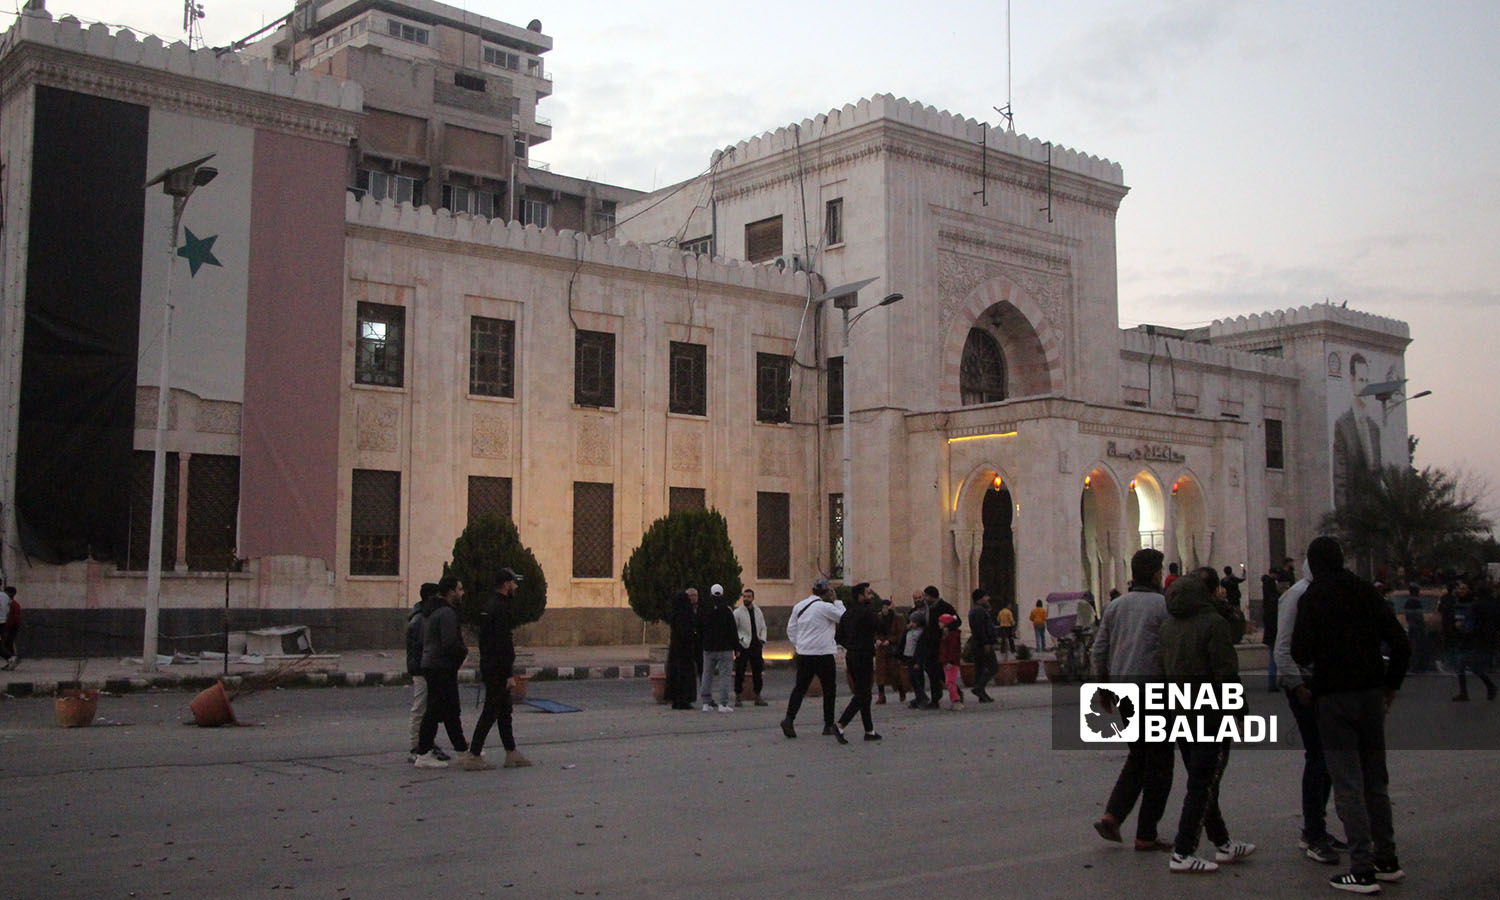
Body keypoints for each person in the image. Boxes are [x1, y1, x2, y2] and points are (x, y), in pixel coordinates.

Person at [1292, 536, 1410, 893]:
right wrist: (1391, 685)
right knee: (1375, 778)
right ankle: (1386, 858)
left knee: (1346, 782)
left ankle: (1361, 867)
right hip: (1371, 695)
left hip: (1334, 699)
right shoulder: (1365, 591)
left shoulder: (1313, 597)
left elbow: (1299, 650)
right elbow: (1400, 643)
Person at [1159, 568, 1255, 873]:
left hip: (1179, 711)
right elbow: (1226, 672)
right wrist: (1239, 709)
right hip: (1209, 714)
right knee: (1204, 781)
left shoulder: (1168, 626)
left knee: (1201, 778)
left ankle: (1223, 842)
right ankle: (1183, 851)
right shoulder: (1214, 623)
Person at [1090, 548, 1175, 853]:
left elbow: (1098, 650)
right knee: (1161, 763)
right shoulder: (1163, 606)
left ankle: (1112, 816)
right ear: (1155, 574)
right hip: (1153, 692)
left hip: (1124, 691)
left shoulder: (1115, 606)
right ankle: (1146, 833)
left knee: (1139, 755)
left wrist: (1103, 689)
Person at [1273, 560, 1348, 865]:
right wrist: (1296, 684)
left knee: (1327, 756)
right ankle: (1313, 832)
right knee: (1318, 756)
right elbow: (1282, 646)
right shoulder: (1298, 595)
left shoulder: (1329, 593)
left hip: (1326, 684)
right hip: (1305, 684)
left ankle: (1316, 825)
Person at [462, 568, 531, 770]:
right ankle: (474, 754)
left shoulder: (490, 605)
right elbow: (502, 642)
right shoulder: (500, 607)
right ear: (507, 584)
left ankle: (511, 752)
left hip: (490, 663)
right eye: (514, 583)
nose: (516, 587)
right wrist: (508, 673)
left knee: (504, 710)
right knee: (491, 710)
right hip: (498, 667)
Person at [414, 576, 469, 769]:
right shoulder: (446, 613)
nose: (462, 593)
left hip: (433, 664)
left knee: (450, 710)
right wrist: (463, 652)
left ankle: (462, 750)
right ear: (451, 591)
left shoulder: (431, 611)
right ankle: (423, 754)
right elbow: (449, 643)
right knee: (436, 711)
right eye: (460, 589)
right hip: (441, 666)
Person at [780, 576, 845, 740]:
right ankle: (828, 724)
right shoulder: (825, 607)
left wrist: (800, 644)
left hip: (804, 654)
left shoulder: (799, 606)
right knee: (829, 689)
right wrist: (837, 601)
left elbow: (791, 629)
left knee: (800, 688)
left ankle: (789, 718)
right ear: (827, 592)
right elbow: (843, 617)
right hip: (823, 654)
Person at [834, 582, 881, 742]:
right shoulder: (868, 612)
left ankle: (869, 730)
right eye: (868, 593)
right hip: (864, 657)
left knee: (864, 693)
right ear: (860, 596)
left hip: (852, 656)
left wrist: (851, 645)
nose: (871, 596)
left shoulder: (847, 614)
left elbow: (838, 637)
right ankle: (840, 724)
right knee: (862, 694)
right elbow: (880, 627)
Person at [406, 582, 447, 763]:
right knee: (421, 707)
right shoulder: (420, 619)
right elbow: (423, 647)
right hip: (422, 669)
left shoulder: (426, 616)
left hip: (427, 667)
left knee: (430, 708)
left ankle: (427, 742)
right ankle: (416, 745)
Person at [1450, 581, 1496, 702]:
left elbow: (1469, 624)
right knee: (1475, 666)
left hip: (1475, 639)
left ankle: (1464, 693)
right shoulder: (1495, 605)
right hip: (1489, 640)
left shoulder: (1475, 606)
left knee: (1462, 664)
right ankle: (1490, 687)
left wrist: (1462, 627)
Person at [699, 584, 737, 712]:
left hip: (709, 649)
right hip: (725, 649)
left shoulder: (705, 610)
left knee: (707, 674)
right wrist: (737, 647)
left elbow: (700, 629)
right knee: (725, 676)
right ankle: (723, 704)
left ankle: (705, 703)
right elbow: (733, 630)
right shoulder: (727, 611)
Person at [919, 586, 958, 710]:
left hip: (940, 645)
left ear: (931, 596)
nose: (924, 598)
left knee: (940, 673)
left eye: (926, 596)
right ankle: (936, 698)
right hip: (930, 646)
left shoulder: (944, 607)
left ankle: (954, 694)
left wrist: (947, 629)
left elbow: (957, 620)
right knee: (932, 672)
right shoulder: (927, 608)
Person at [733, 587, 768, 706]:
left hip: (756, 644)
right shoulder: (737, 612)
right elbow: (734, 629)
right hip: (743, 645)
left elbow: (763, 626)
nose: (746, 599)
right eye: (744, 597)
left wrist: (762, 640)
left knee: (757, 670)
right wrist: (737, 644)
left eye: (748, 597)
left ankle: (758, 695)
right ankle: (738, 696)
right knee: (740, 670)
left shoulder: (758, 611)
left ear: (753, 598)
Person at [666, 591, 699, 709]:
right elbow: (688, 631)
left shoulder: (674, 614)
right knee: (685, 675)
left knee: (675, 674)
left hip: (675, 649)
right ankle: (684, 699)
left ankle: (676, 700)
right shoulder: (686, 614)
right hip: (685, 650)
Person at [874, 597, 907, 705]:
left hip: (893, 649)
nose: (885, 609)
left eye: (886, 606)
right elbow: (874, 631)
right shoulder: (878, 617)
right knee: (880, 672)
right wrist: (877, 639)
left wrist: (890, 640)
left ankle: (901, 690)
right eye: (883, 607)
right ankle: (881, 695)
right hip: (881, 648)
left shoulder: (897, 618)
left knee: (895, 672)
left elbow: (901, 633)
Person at [967, 590, 998, 702]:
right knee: (993, 667)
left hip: (977, 642)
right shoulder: (979, 611)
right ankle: (979, 688)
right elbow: (980, 628)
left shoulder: (975, 610)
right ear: (980, 598)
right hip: (982, 643)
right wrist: (986, 642)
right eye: (986, 596)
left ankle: (982, 694)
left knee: (980, 668)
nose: (988, 598)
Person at [905, 593, 930, 708]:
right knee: (913, 678)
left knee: (917, 677)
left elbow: (920, 649)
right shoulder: (911, 630)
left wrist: (918, 661)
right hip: (909, 656)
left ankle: (922, 697)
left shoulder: (920, 633)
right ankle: (919, 697)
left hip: (915, 657)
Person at [1262, 567, 1283, 691]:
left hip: (1270, 632)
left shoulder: (1267, 605)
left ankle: (1273, 682)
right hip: (1275, 632)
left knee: (1273, 657)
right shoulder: (1275, 603)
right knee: (1277, 657)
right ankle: (1276, 682)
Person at [937, 613, 964, 710]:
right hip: (947, 661)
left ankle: (956, 700)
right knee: (949, 681)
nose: (939, 624)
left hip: (950, 662)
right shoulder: (946, 633)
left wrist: (950, 661)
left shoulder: (951, 635)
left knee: (950, 681)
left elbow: (953, 649)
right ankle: (955, 700)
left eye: (940, 622)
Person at [1, 586, 20, 670]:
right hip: (6, 624)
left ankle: (11, 658)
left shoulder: (13, 604)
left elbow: (13, 616)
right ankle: (11, 660)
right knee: (7, 644)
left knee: (6, 644)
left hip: (9, 626)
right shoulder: (7, 599)